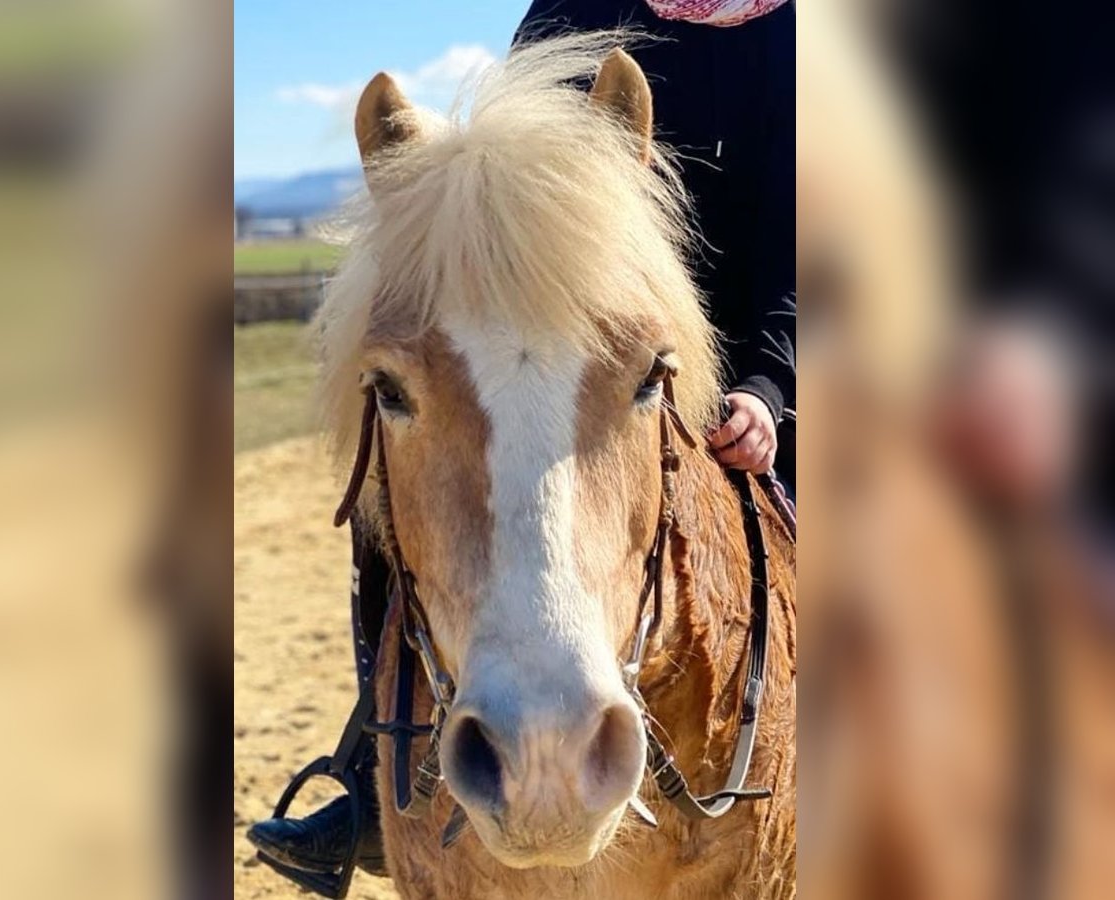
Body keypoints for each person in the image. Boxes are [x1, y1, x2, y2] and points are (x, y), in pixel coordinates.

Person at [248, 0, 795, 877]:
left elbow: (814, 254)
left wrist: (771, 391)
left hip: (747, 373)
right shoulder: (573, 11)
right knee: (391, 499)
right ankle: (370, 770)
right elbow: (504, 200)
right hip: (571, 360)